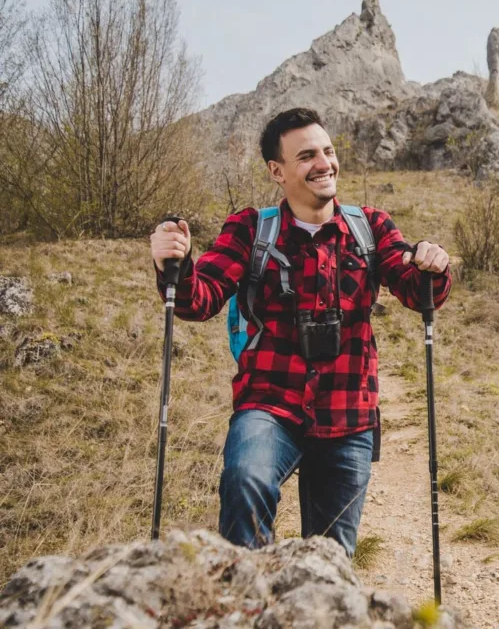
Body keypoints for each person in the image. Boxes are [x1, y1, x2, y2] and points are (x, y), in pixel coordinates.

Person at [149, 107, 452, 555]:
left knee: (332, 558)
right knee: (246, 478)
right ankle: (246, 597)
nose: (324, 164)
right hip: (269, 405)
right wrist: (172, 262)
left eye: (328, 151)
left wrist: (431, 265)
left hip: (348, 415)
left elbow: (416, 289)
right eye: (307, 155)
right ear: (278, 171)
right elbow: (200, 298)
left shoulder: (370, 227)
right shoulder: (251, 229)